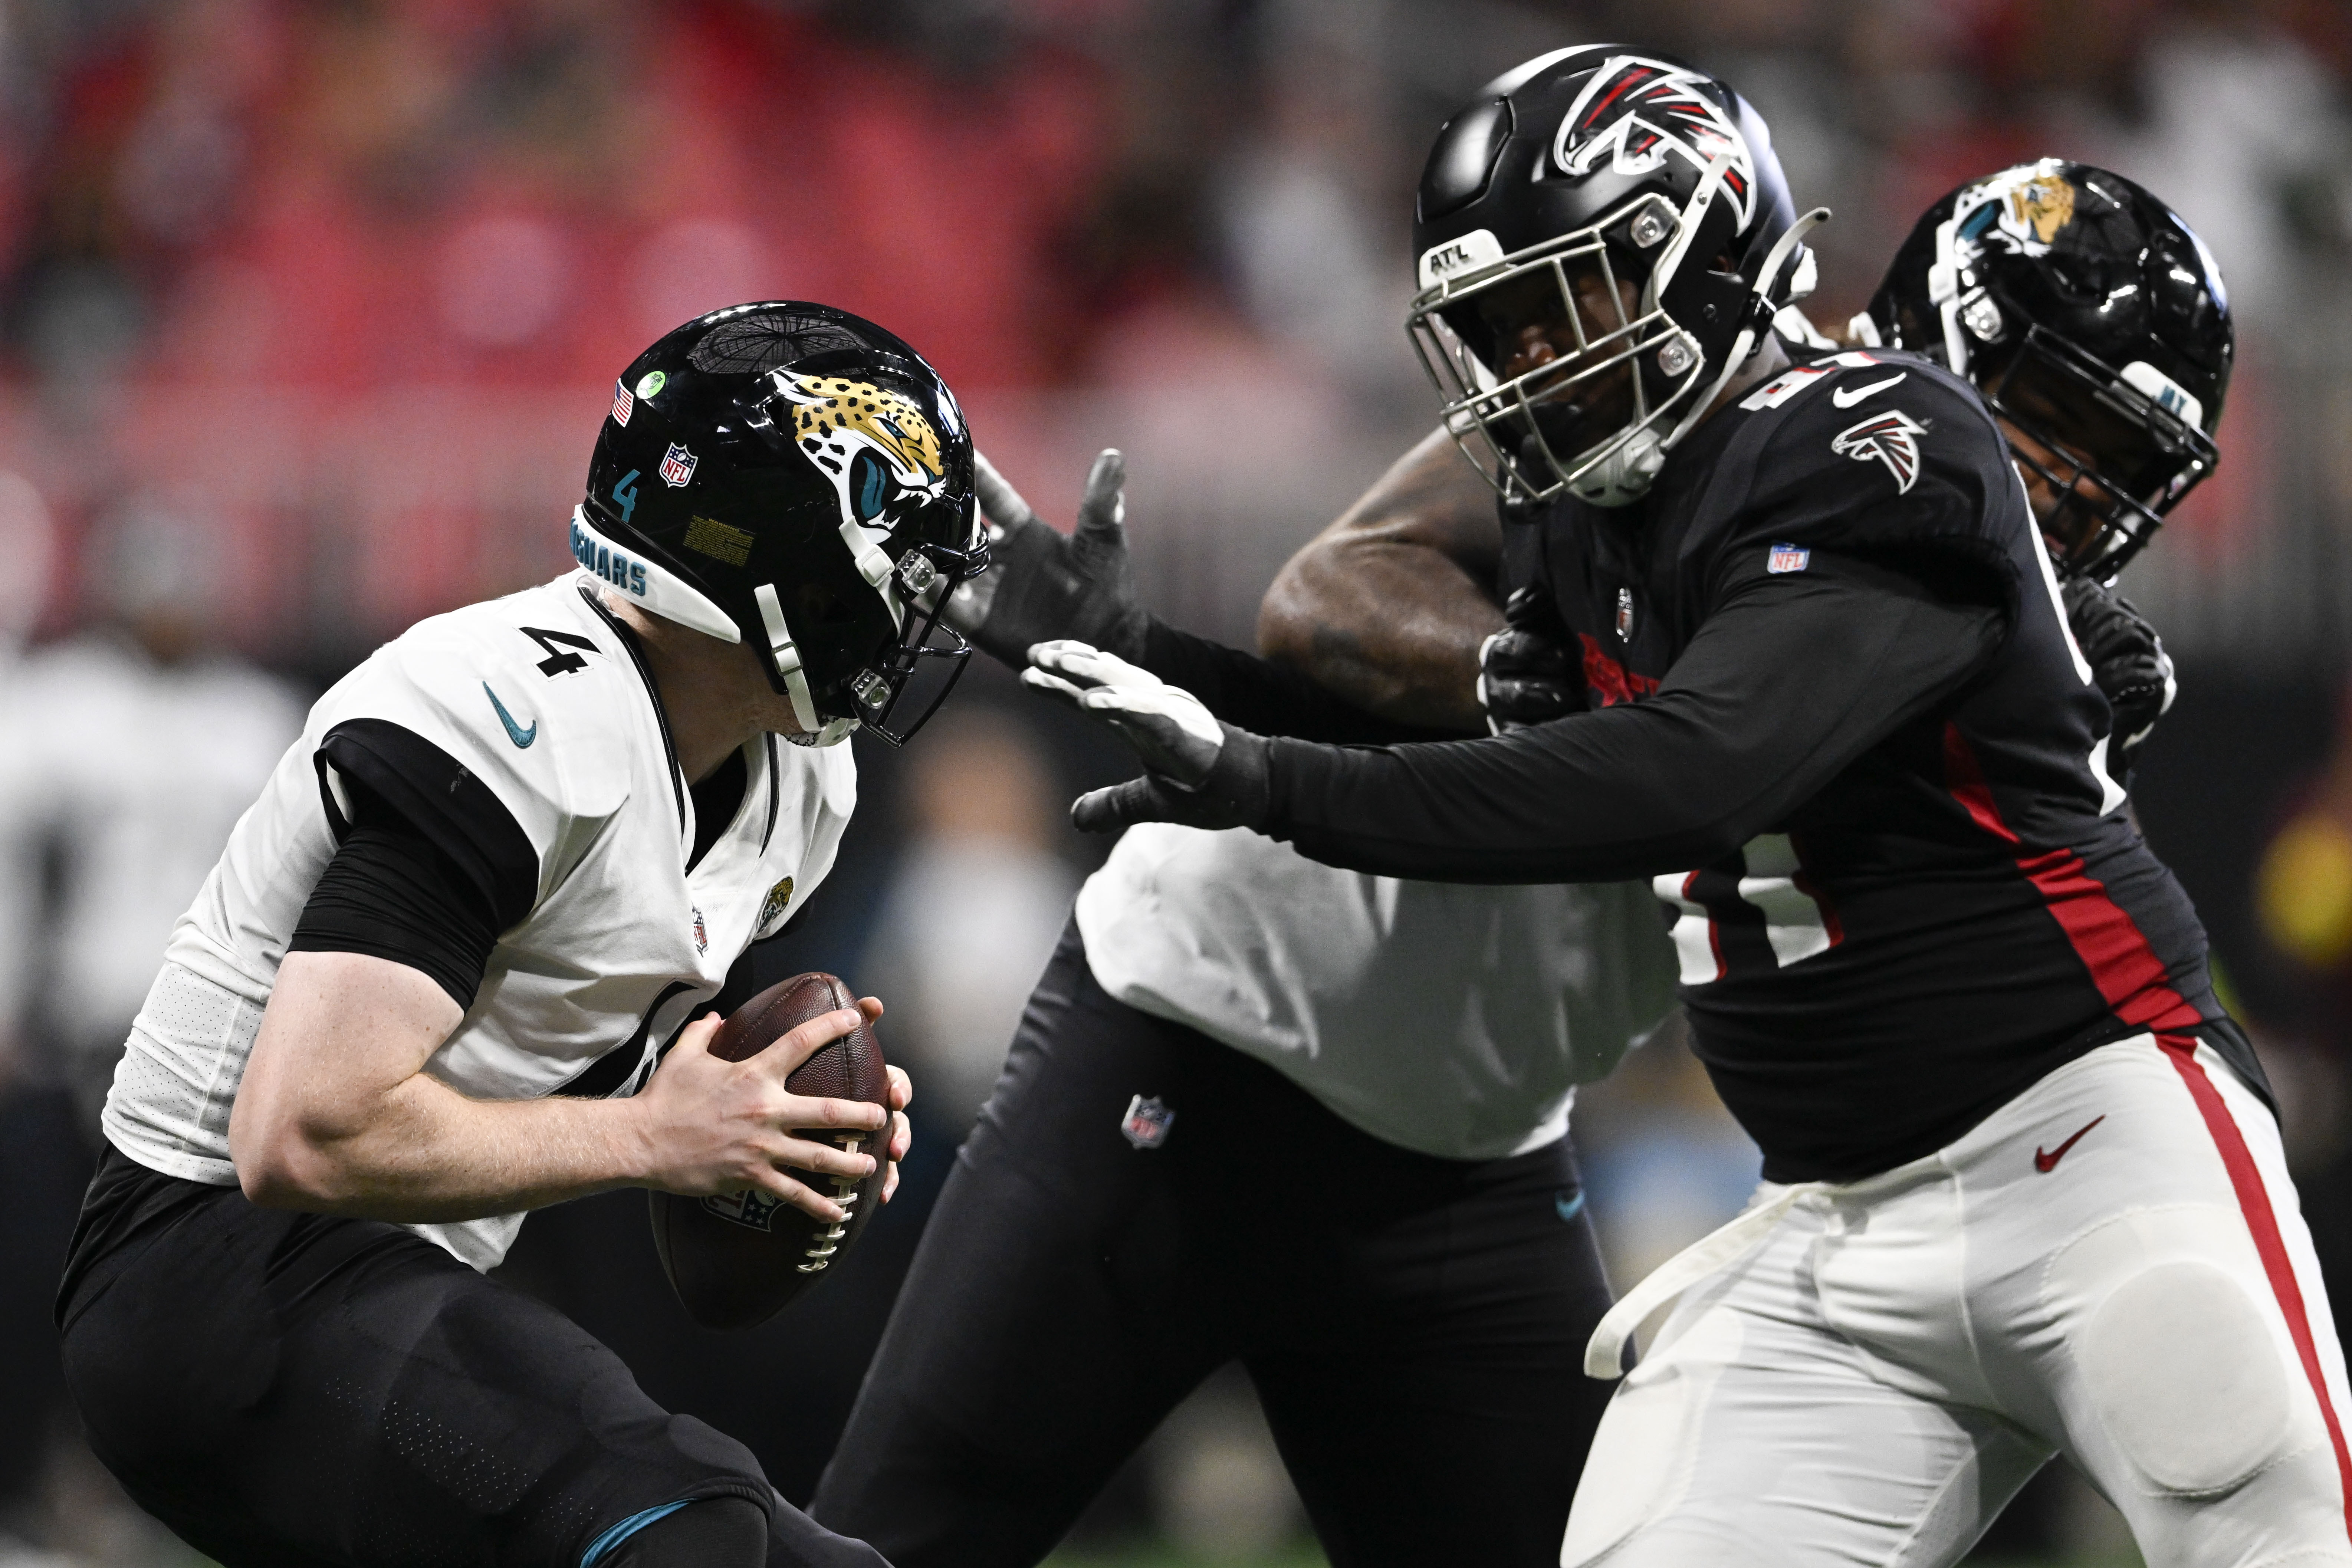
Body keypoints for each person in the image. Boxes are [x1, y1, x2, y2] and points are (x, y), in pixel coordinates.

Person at [1031, 50, 2340, 1565]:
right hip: (1837, 1221)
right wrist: (1205, 689)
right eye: (2050, 414)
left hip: (2086, 1145)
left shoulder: (1892, 473)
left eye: (2115, 465)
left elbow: (1698, 767)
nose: (2068, 485)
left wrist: (1263, 776)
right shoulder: (1657, 425)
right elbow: (1351, 595)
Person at [53, 302, 989, 1568]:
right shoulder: (507, 716)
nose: (919, 607)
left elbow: (611, 1068)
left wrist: (769, 1125)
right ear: (772, 557)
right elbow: (305, 1129)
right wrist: (663, 1135)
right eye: (899, 565)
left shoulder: (801, 782)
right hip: (214, 1272)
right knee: (681, 1533)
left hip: (389, 1276)